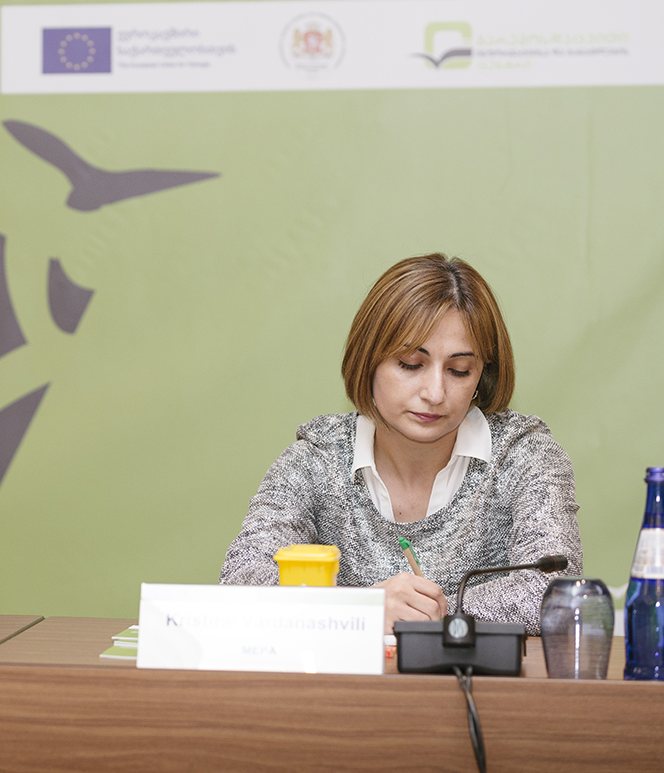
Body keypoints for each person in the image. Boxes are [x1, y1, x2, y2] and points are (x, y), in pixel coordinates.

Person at [219, 254, 580, 635]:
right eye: (410, 364)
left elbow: (557, 591)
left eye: (459, 370)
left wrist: (432, 612)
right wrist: (364, 608)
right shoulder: (316, 459)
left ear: (481, 377)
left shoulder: (525, 455)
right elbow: (242, 580)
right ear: (368, 362)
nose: (435, 393)